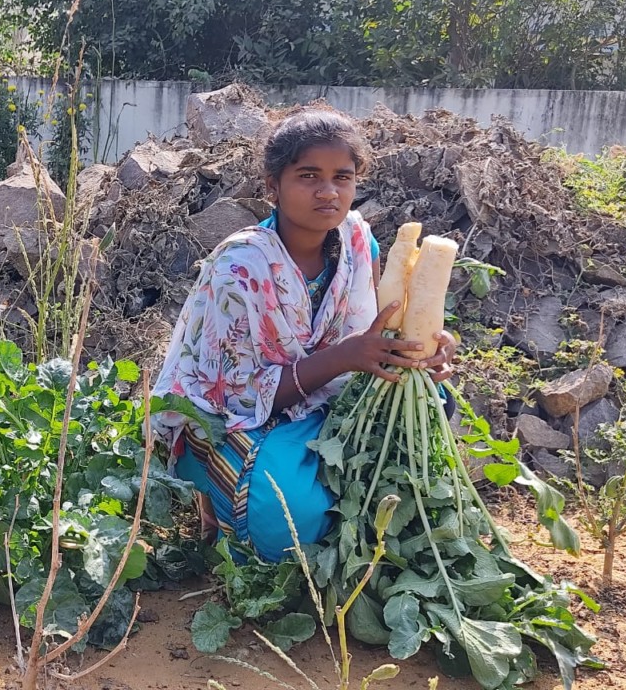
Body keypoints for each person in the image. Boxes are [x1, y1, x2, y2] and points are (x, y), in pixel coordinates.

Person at [152, 109, 456, 563]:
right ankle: (217, 497)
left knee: (436, 400)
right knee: (287, 520)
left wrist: (417, 352)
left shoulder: (358, 243)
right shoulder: (239, 266)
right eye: (308, 176)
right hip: (232, 416)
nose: (329, 192)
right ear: (273, 185)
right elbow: (231, 394)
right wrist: (345, 358)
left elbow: (371, 328)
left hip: (323, 405)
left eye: (342, 177)